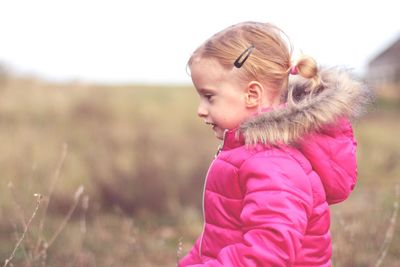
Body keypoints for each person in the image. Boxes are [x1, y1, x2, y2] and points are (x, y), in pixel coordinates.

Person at [179, 21, 371, 267]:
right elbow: (216, 239)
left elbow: (267, 255)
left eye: (209, 97)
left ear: (252, 95)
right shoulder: (249, 154)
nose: (200, 110)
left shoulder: (275, 166)